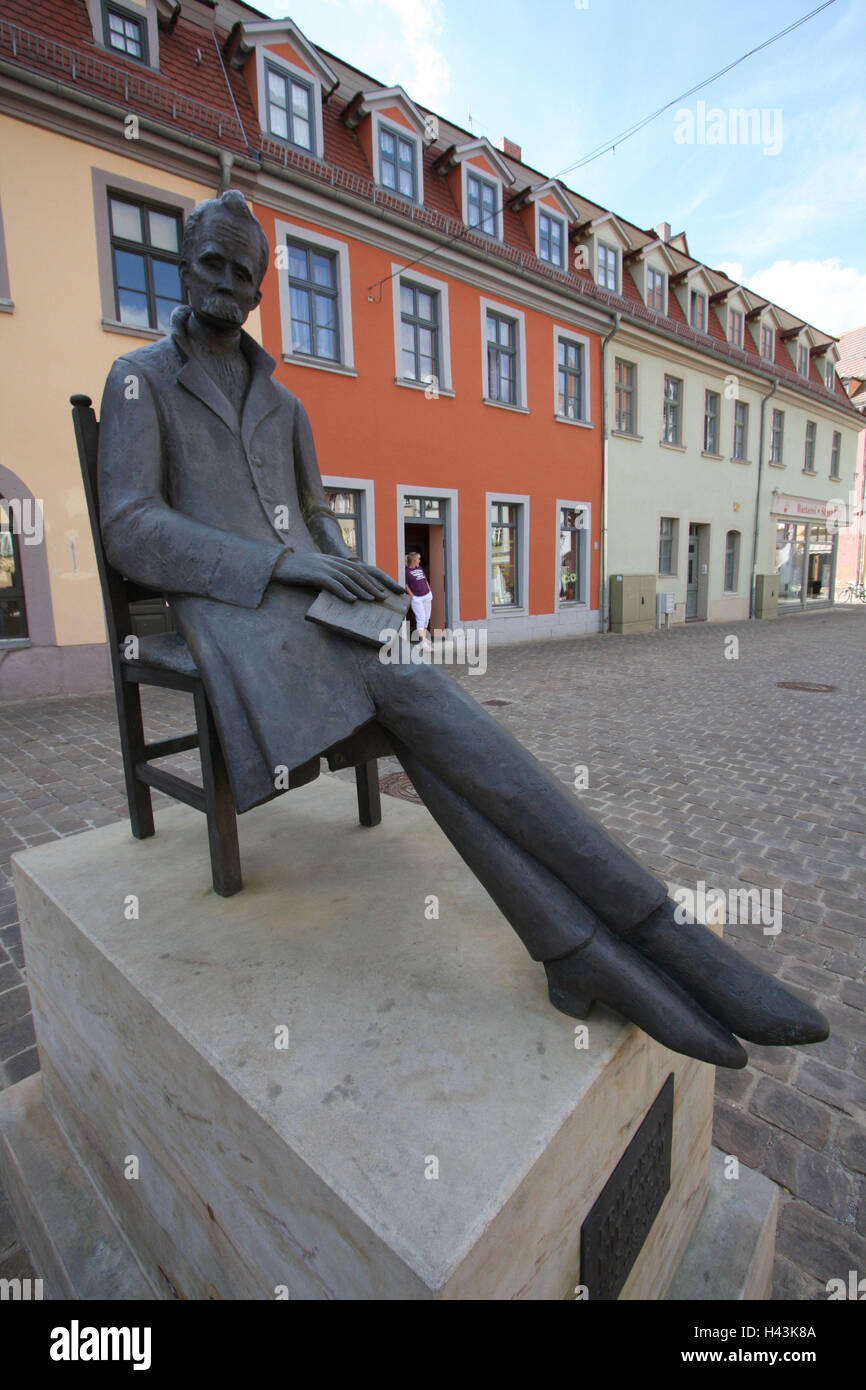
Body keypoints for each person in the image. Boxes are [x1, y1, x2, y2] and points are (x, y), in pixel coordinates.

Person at [97, 191, 828, 1069]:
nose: (222, 282)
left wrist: (350, 561)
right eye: (209, 263)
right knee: (409, 689)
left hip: (306, 608)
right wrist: (284, 565)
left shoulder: (286, 405)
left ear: (260, 290)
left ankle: (577, 950)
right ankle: (656, 933)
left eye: (241, 271)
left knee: (415, 710)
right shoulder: (138, 379)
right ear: (186, 264)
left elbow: (315, 520)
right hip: (231, 617)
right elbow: (131, 525)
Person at [405, 550, 433, 648]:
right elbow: (406, 585)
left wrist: (430, 591)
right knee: (421, 619)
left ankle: (424, 638)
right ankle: (422, 642)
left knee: (426, 618)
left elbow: (425, 580)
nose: (419, 561)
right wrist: (413, 597)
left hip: (427, 595)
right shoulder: (406, 572)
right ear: (413, 560)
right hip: (417, 599)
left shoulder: (420, 568)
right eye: (418, 559)